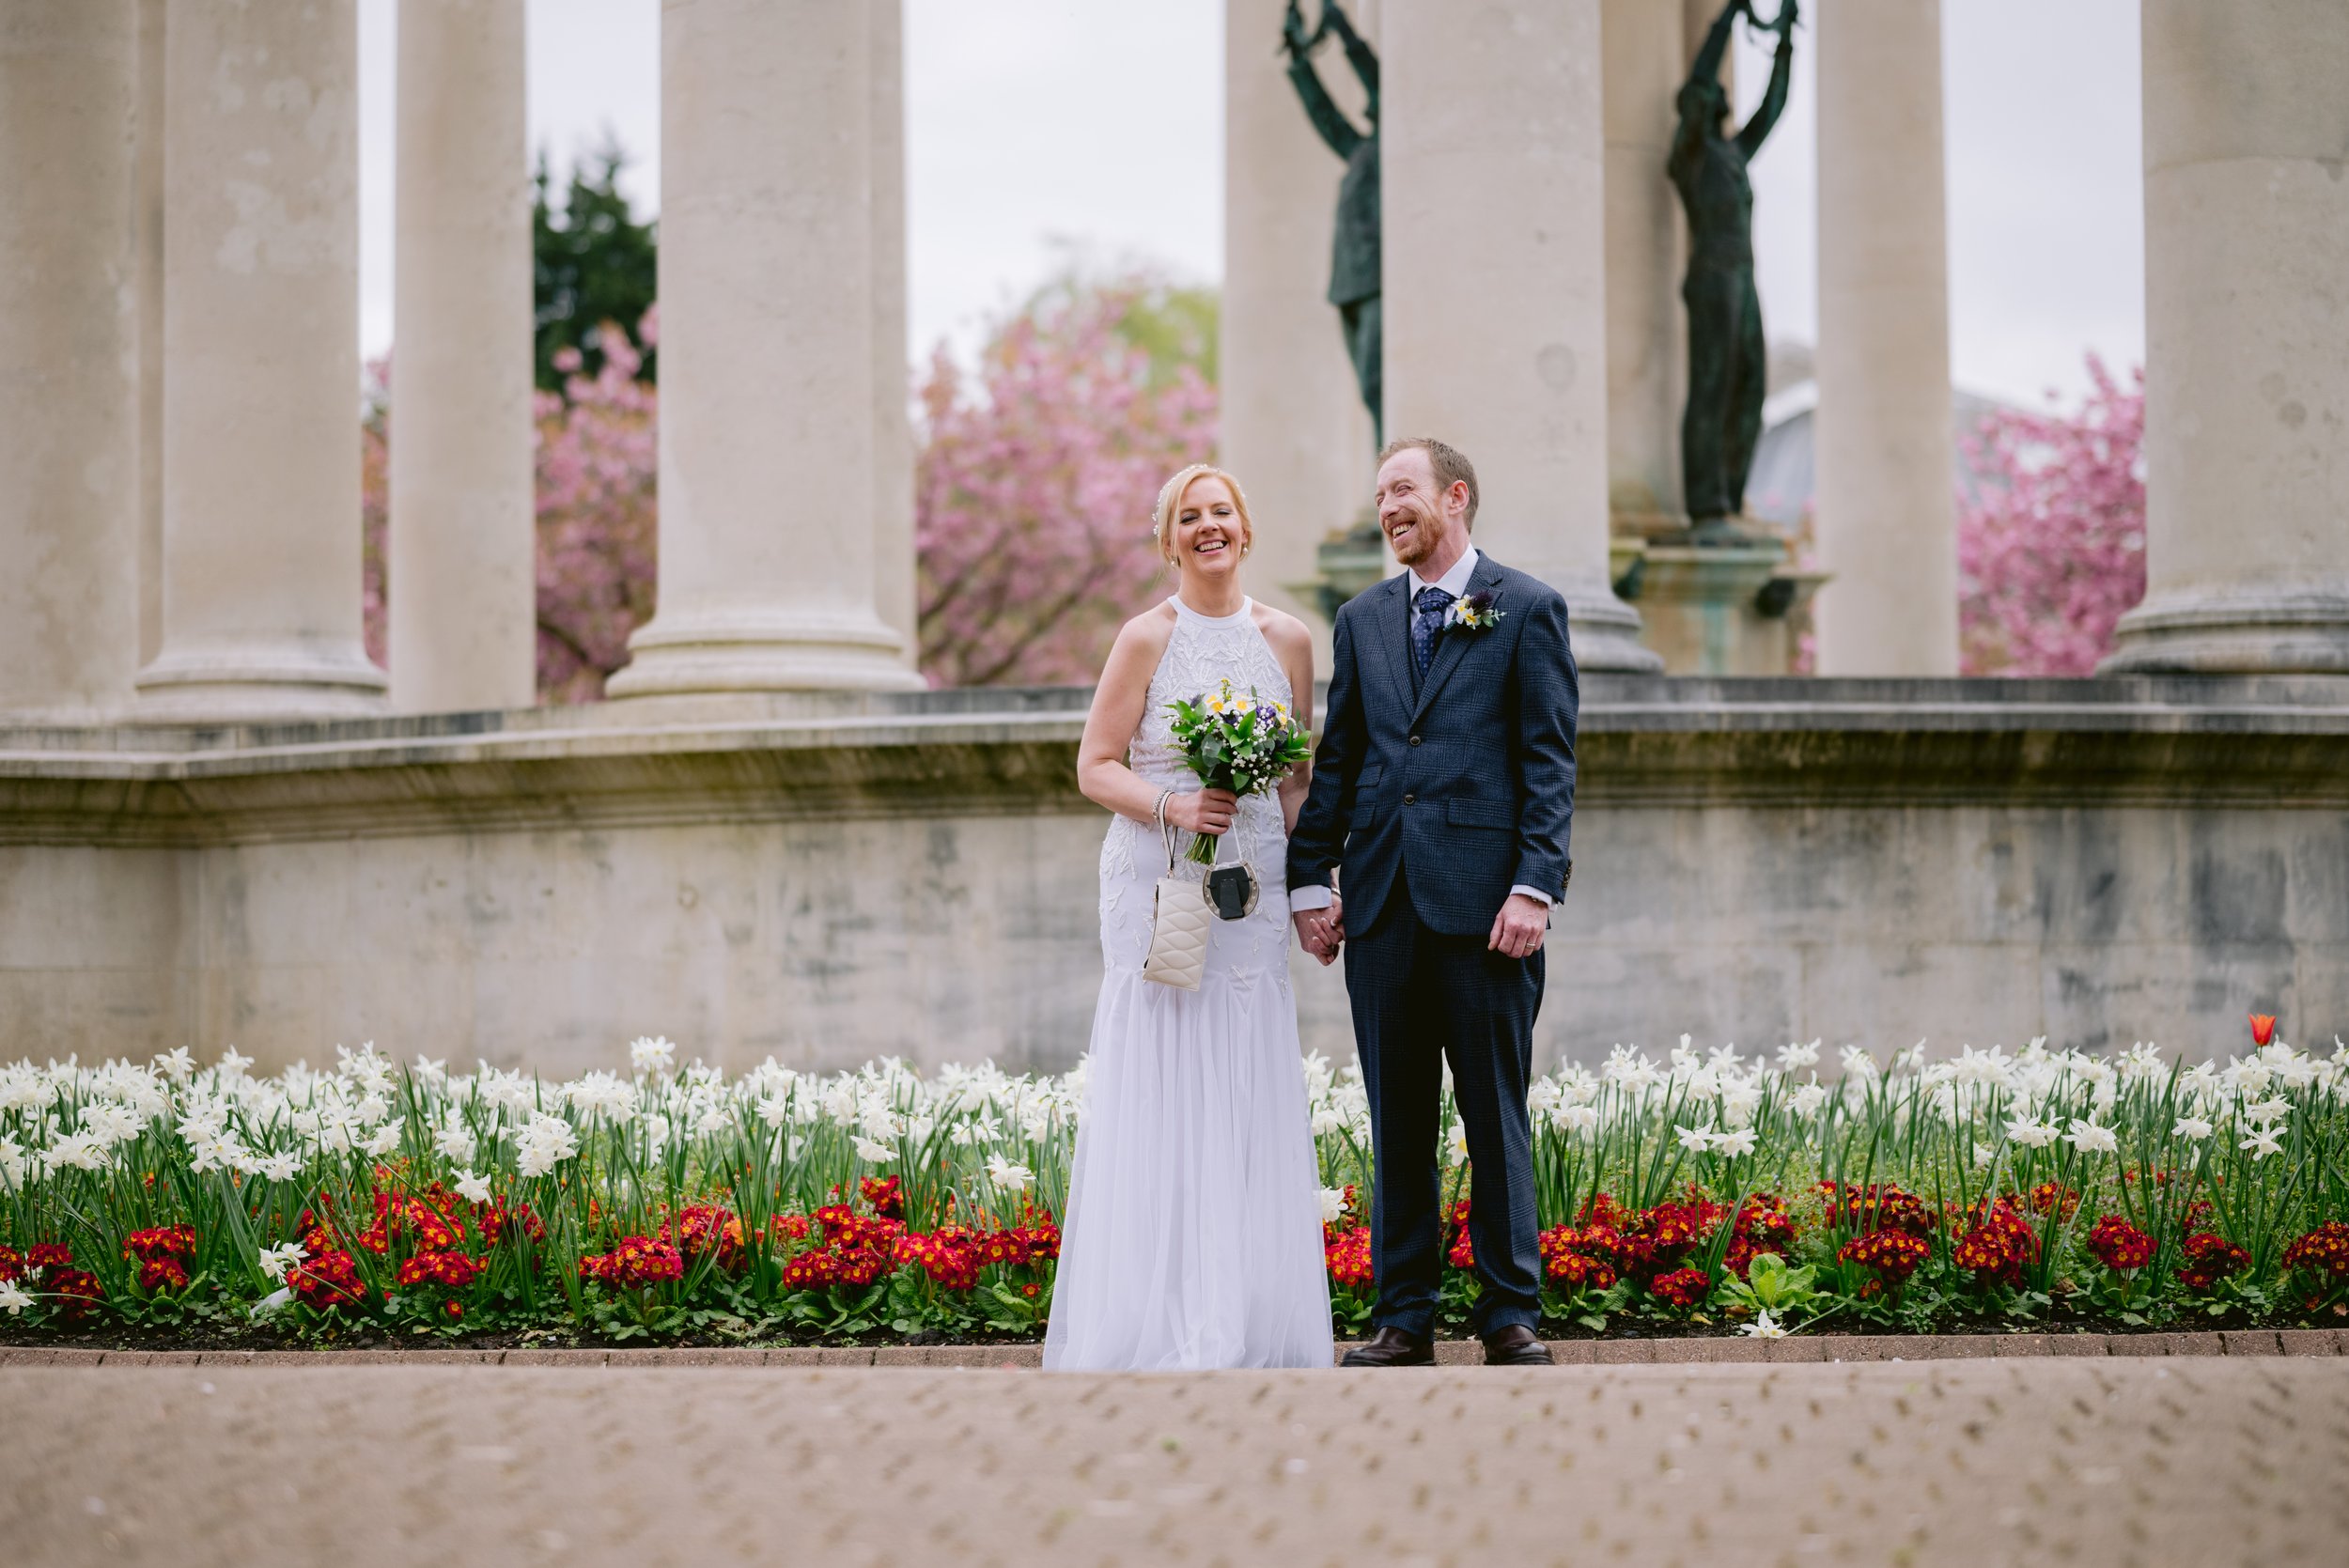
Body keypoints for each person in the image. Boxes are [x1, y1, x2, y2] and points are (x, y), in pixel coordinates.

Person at [1287, 439, 1579, 1367]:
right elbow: (1342, 760)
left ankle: (1509, 1314)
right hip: (1380, 906)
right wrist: (1309, 879)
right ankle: (1402, 1318)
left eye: (1402, 489)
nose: (1387, 507)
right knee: (1397, 1118)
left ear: (1456, 496)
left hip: (1489, 906)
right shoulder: (1362, 619)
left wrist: (1535, 883)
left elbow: (1548, 760)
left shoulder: (1525, 607)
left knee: (1494, 1113)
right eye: (1378, 494)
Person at [1044, 464, 1335, 1371]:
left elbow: (1295, 782)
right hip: (1159, 883)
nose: (1207, 527)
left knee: (1241, 1067)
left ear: (1246, 531)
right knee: (1167, 1070)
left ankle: (1240, 1316)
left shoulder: (1288, 640)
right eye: (1188, 517)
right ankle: (1154, 1315)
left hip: (1249, 887)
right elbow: (1095, 765)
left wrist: (1312, 891)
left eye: (1222, 513)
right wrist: (1172, 807)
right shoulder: (1144, 638)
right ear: (1169, 541)